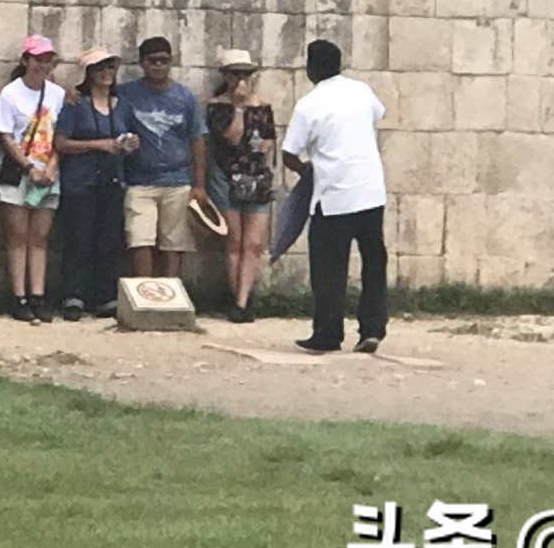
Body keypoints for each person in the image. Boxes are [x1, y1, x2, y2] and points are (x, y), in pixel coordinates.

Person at [280, 36, 390, 354]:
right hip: (370, 191)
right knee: (373, 262)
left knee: (329, 269)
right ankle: (372, 328)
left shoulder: (309, 105)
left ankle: (328, 333)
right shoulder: (362, 91)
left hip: (333, 196)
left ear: (311, 69)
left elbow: (289, 153)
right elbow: (376, 115)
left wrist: (304, 171)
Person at [52, 46, 137, 320]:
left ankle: (105, 296)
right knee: (78, 239)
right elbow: (61, 143)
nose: (106, 73)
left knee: (108, 240)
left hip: (112, 180)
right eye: (100, 68)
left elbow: (131, 134)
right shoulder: (76, 104)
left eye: (110, 67)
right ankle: (73, 295)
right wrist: (98, 145)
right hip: (81, 180)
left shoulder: (123, 105)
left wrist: (130, 144)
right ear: (89, 74)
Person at [121, 35, 206, 281]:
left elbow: (198, 139)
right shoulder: (127, 94)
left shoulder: (185, 97)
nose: (158, 66)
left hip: (177, 179)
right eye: (152, 61)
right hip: (139, 179)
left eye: (164, 61)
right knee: (139, 239)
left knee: (174, 241)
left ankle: (171, 295)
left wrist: (199, 185)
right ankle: (144, 294)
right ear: (142, 63)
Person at [203, 48, 277, 322]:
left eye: (245, 74)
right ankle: (237, 299)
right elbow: (231, 139)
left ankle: (244, 299)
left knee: (254, 242)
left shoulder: (264, 106)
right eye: (235, 74)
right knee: (234, 241)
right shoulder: (217, 106)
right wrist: (239, 107)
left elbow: (268, 141)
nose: (241, 79)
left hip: (255, 175)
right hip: (227, 175)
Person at [0, 34, 62, 323]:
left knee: (40, 237)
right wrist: (28, 168)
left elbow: (61, 136)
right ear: (26, 61)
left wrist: (50, 168)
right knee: (18, 236)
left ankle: (38, 294)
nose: (42, 65)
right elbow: (5, 136)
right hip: (18, 171)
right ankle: (18, 296)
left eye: (47, 60)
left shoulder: (57, 94)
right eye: (37, 60)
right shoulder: (10, 94)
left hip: (48, 171)